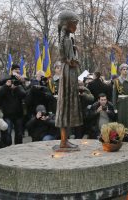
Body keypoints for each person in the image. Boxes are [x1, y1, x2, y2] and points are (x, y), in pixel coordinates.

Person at [55, 10, 83, 149]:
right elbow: (71, 61)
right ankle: (64, 141)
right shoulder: (66, 40)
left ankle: (64, 140)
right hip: (68, 73)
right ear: (68, 24)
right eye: (75, 24)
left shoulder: (67, 39)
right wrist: (76, 52)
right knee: (66, 105)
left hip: (68, 73)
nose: (76, 27)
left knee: (66, 105)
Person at [113, 63, 128, 132]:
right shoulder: (117, 81)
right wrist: (115, 107)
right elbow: (114, 95)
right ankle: (120, 135)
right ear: (120, 71)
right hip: (120, 104)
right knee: (121, 120)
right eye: (124, 69)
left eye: (126, 69)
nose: (125, 71)